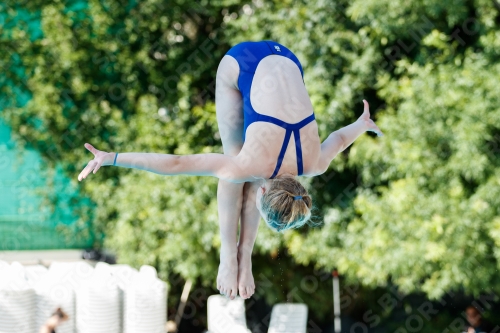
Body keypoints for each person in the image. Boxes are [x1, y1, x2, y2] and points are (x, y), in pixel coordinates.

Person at [78, 40, 383, 300]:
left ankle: (241, 255)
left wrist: (362, 124)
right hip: (240, 62)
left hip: (287, 57)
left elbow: (340, 139)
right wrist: (111, 157)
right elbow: (177, 164)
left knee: (240, 169)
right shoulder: (247, 165)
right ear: (262, 192)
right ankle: (234, 254)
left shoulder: (316, 163)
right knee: (234, 167)